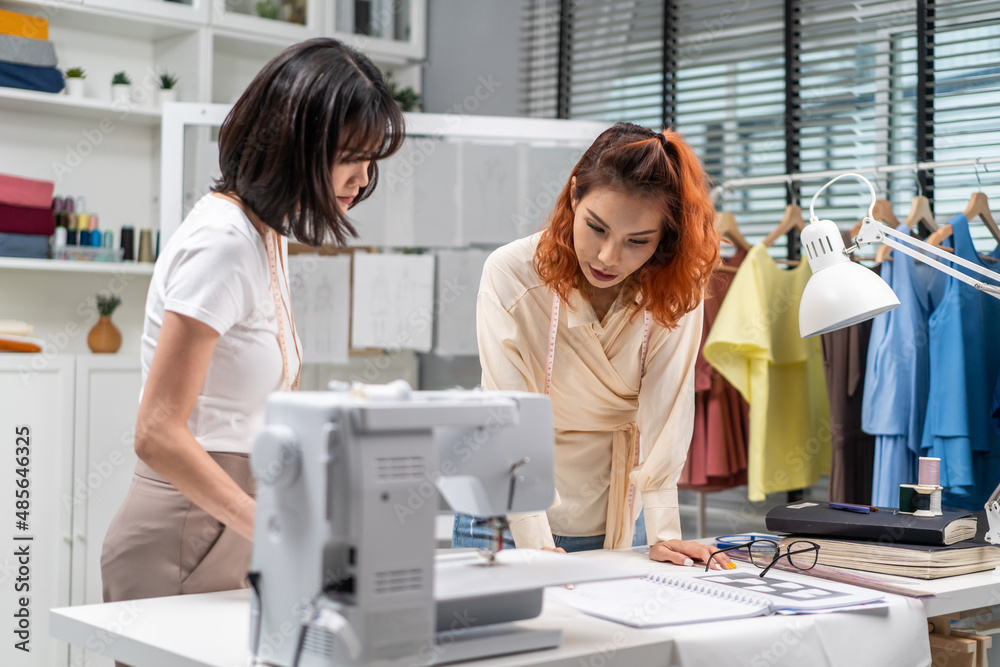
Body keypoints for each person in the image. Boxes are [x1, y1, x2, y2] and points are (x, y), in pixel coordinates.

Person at [101, 38, 404, 605]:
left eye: (370, 161)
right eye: (349, 158)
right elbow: (156, 432)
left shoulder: (267, 233)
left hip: (227, 522)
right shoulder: (223, 242)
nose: (363, 180)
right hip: (186, 531)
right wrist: (270, 523)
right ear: (294, 144)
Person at [453, 122, 732, 569]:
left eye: (637, 242)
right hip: (506, 514)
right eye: (596, 228)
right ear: (573, 196)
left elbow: (667, 410)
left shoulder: (679, 288)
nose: (608, 257)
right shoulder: (512, 273)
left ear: (665, 239)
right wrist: (535, 545)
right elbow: (510, 417)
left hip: (618, 512)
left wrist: (665, 534)